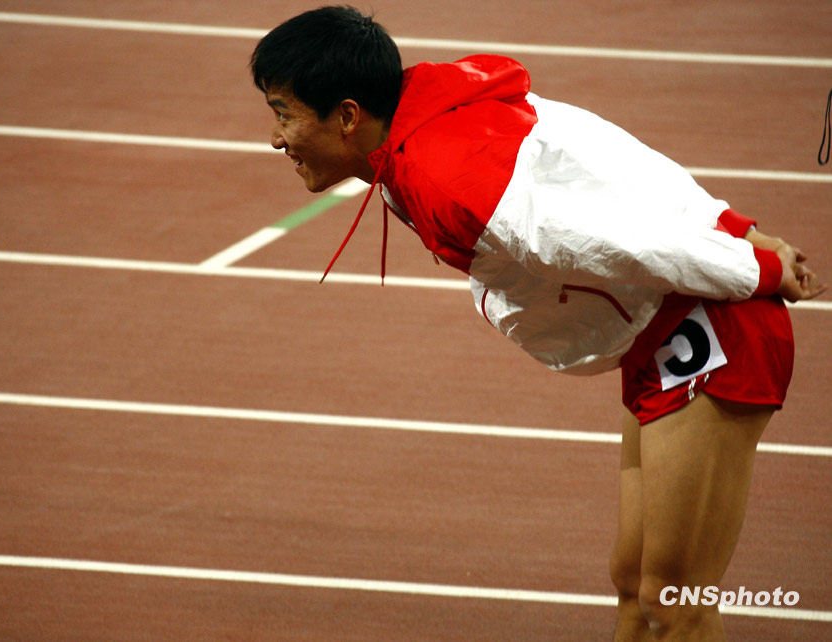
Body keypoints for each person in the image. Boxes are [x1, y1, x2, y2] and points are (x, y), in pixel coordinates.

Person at [249, 6, 827, 640]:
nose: (276, 137)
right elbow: (599, 154)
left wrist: (755, 264)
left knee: (675, 602)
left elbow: (610, 240)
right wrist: (734, 229)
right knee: (635, 587)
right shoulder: (431, 111)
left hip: (709, 324)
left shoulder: (449, 173)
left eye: (283, 114)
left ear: (348, 115)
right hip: (659, 330)